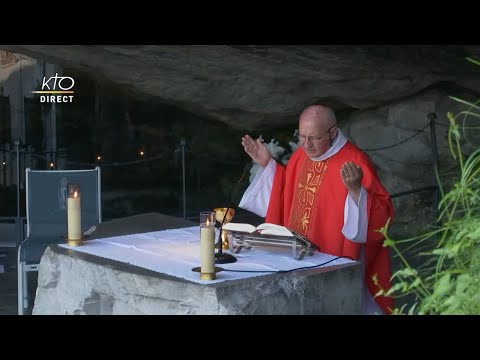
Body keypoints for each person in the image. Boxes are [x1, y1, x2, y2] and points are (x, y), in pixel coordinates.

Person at [238, 104, 394, 315]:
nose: (306, 144)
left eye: (313, 137)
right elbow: (287, 190)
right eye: (302, 136)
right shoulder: (301, 155)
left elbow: (382, 216)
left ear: (333, 132)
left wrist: (357, 192)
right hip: (297, 257)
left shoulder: (354, 162)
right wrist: (268, 165)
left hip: (333, 259)